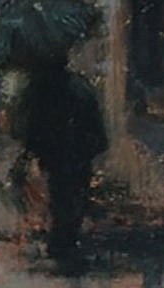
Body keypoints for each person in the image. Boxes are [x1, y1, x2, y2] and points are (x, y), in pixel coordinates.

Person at [12, 54, 107, 256]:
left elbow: (26, 123)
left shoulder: (39, 88)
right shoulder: (79, 86)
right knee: (72, 194)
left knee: (60, 193)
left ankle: (62, 239)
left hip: (57, 152)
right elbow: (95, 123)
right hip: (77, 152)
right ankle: (66, 238)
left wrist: (30, 148)